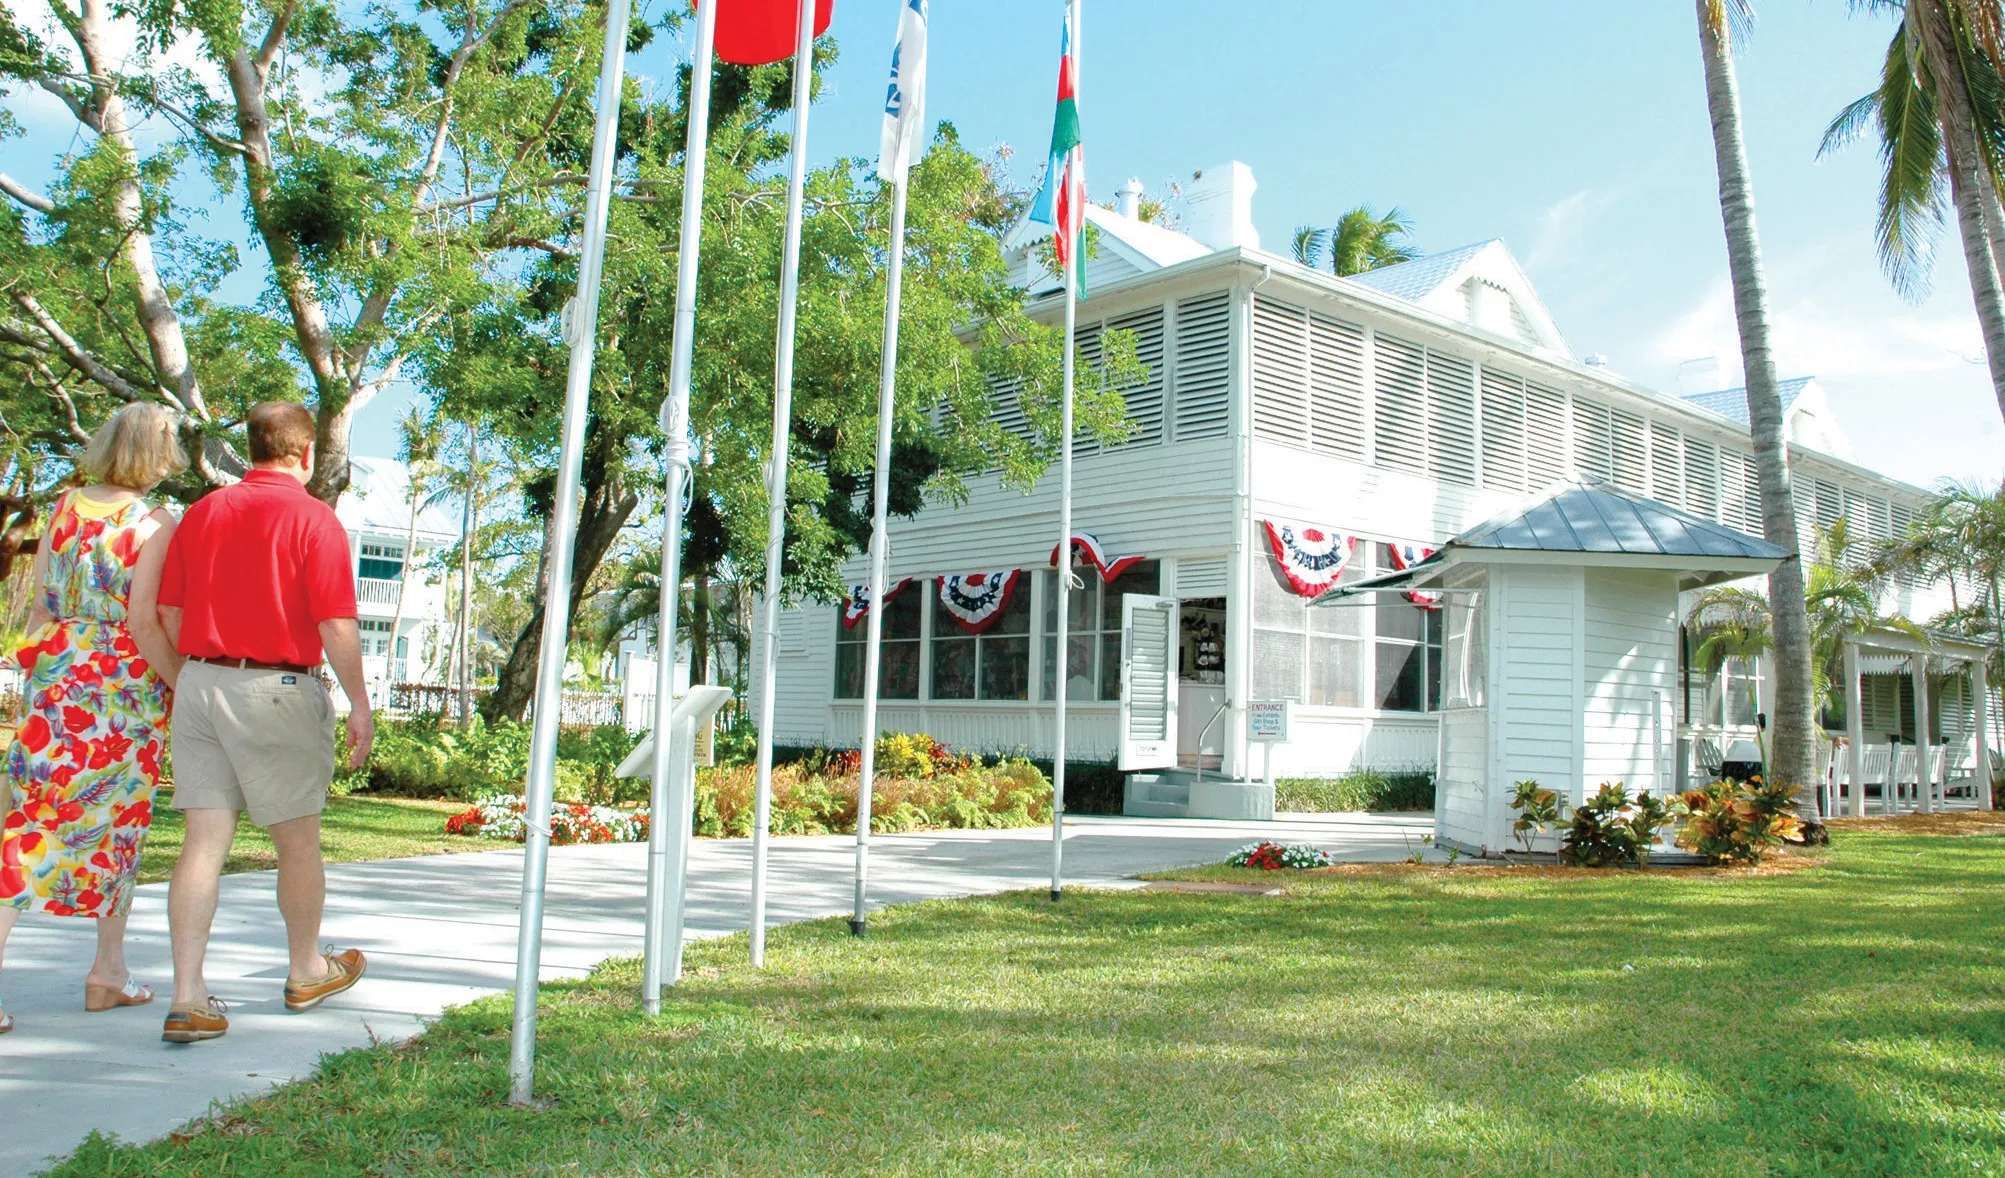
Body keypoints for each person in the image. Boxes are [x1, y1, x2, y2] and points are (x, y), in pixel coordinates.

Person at [156, 402, 375, 1044]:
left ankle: (187, 996)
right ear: (305, 454)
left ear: (252, 448)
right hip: (276, 687)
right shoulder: (315, 519)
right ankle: (307, 969)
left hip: (199, 681)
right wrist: (359, 702)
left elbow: (170, 613)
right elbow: (336, 623)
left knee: (202, 844)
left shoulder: (203, 513)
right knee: (297, 843)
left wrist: (193, 680)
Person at [0, 403, 185, 1034]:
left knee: (28, 817)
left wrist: (35, 672)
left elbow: (43, 602)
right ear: (155, 454)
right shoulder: (154, 522)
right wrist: (181, 683)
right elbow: (143, 622)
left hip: (58, 673)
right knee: (120, 822)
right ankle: (106, 971)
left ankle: (103, 969)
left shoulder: (66, 507)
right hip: (120, 687)